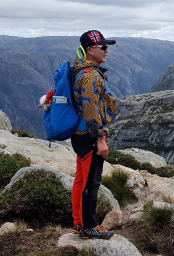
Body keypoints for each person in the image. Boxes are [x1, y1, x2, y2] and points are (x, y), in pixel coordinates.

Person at [70, 30, 118, 240]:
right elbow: (91, 109)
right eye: (103, 47)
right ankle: (88, 226)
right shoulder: (89, 75)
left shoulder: (82, 71)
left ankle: (79, 223)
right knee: (90, 182)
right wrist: (100, 140)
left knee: (81, 181)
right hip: (90, 137)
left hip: (81, 135)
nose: (107, 51)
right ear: (91, 49)